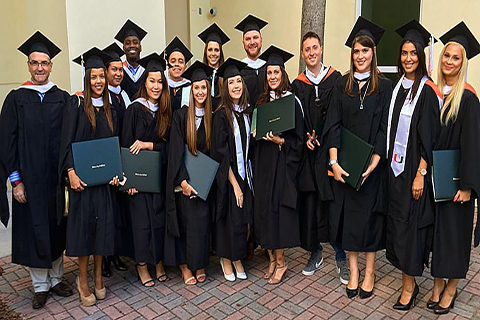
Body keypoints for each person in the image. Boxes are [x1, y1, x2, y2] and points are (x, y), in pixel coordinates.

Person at [0, 31, 73, 309]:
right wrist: (15, 181)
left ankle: (56, 279)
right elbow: (7, 142)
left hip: (55, 181)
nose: (40, 68)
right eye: (35, 63)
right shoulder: (16, 98)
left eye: (44, 62)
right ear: (28, 65)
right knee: (34, 230)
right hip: (28, 181)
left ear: (51, 65)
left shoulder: (62, 98)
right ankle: (40, 285)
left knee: (56, 227)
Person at [322, 17, 392, 299]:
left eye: (365, 50)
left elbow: (386, 127)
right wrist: (334, 162)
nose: (360, 55)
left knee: (371, 221)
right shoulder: (342, 85)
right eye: (356, 51)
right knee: (349, 221)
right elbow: (333, 125)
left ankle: (370, 272)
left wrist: (375, 162)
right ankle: (353, 271)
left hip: (372, 168)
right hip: (347, 168)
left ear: (373, 53)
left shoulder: (385, 87)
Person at [385, 20, 442, 311]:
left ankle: (409, 287)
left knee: (410, 230)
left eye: (413, 54)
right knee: (397, 226)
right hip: (395, 172)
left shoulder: (427, 92)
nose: (408, 58)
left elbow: (428, 138)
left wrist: (421, 173)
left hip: (413, 174)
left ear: (421, 56)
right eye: (404, 53)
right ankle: (407, 281)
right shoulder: (398, 89)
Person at [60, 48, 120, 306]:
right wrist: (70, 172)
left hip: (103, 183)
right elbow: (66, 143)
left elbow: (113, 146)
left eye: (101, 77)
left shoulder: (109, 108)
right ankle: (82, 279)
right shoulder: (75, 105)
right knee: (84, 232)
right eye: (93, 77)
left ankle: (98, 277)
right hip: (82, 183)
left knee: (102, 231)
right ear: (87, 79)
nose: (98, 81)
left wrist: (117, 172)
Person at [428, 22, 480, 315]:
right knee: (438, 235)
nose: (449, 61)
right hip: (437, 180)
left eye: (455, 57)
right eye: (446, 56)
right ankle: (437, 284)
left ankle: (451, 288)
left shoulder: (469, 98)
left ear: (463, 62)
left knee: (455, 238)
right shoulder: (435, 94)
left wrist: (467, 185)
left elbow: (473, 145)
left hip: (457, 182)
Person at [291, 31, 348, 282]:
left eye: (315, 48)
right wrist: (305, 137)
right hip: (309, 151)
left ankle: (340, 251)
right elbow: (296, 117)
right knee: (311, 201)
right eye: (307, 49)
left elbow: (340, 116)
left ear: (321, 49)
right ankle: (315, 250)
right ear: (303, 54)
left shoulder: (336, 79)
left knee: (334, 200)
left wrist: (325, 138)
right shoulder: (298, 84)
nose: (311, 53)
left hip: (331, 149)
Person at [253, 45, 304, 284]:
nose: (272, 76)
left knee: (279, 214)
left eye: (276, 72)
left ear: (283, 74)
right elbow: (254, 137)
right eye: (269, 73)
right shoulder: (261, 102)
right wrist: (255, 133)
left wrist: (281, 140)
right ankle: (272, 259)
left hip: (283, 167)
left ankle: (282, 262)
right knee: (265, 212)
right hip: (264, 165)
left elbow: (300, 140)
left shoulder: (291, 102)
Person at [121, 52, 171, 287]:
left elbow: (170, 147)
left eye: (160, 81)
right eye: (152, 81)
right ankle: (142, 265)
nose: (156, 86)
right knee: (141, 223)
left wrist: (148, 145)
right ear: (144, 83)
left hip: (158, 178)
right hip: (138, 180)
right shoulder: (134, 110)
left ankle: (158, 261)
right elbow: (125, 145)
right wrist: (127, 181)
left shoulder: (165, 112)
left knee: (159, 221)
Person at [165, 61, 214, 285]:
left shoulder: (212, 117)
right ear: (191, 90)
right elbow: (176, 150)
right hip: (183, 182)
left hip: (203, 183)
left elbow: (214, 153)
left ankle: (200, 263)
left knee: (202, 223)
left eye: (204, 87)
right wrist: (183, 181)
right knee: (186, 222)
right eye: (196, 88)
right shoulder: (180, 115)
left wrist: (204, 183)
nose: (200, 92)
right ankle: (185, 266)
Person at [211, 58, 253, 281]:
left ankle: (237, 257)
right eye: (231, 83)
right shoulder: (221, 115)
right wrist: (235, 184)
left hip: (246, 173)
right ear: (225, 88)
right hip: (227, 176)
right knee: (229, 218)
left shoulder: (247, 112)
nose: (236, 85)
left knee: (242, 218)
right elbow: (221, 154)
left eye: (239, 81)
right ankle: (226, 259)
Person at [101, 43, 131, 277]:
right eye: (114, 69)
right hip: (109, 158)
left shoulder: (123, 96)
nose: (118, 73)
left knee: (119, 210)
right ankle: (104, 260)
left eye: (120, 69)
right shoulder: (102, 99)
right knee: (106, 210)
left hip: (122, 157)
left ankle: (116, 253)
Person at [235, 14, 268, 110]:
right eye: (248, 39)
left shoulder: (270, 66)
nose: (252, 42)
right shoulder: (239, 70)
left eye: (255, 37)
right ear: (243, 43)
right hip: (247, 121)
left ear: (261, 40)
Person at [115, 19, 148, 100]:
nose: (132, 45)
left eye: (135, 42)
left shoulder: (147, 70)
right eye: (127, 43)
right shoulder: (119, 71)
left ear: (140, 47)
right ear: (123, 48)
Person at [162, 36, 194, 113]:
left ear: (185, 67)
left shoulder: (191, 88)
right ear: (167, 66)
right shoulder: (162, 85)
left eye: (180, 61)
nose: (176, 64)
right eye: (173, 61)